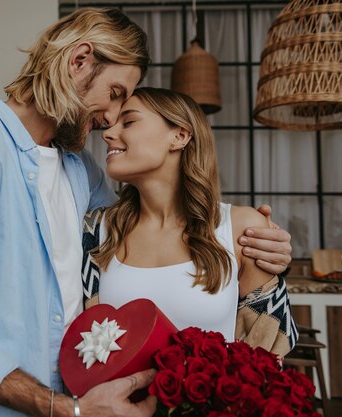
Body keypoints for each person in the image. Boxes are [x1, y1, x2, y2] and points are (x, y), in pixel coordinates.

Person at [0, 8, 292, 417]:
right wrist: (63, 407)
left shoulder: (80, 171)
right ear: (80, 61)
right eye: (115, 94)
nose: (110, 120)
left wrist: (260, 245)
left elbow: (147, 235)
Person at [82, 87, 297, 357]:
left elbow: (266, 353)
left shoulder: (242, 228)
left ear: (180, 136)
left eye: (129, 121)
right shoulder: (96, 232)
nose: (108, 133)